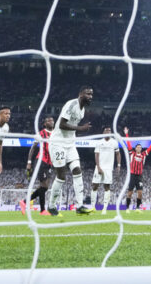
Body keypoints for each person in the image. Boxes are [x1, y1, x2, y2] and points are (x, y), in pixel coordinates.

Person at [48, 87, 95, 216]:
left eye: (91, 94)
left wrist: (78, 130)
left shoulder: (82, 111)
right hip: (58, 143)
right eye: (87, 93)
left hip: (70, 144)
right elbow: (62, 124)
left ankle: (79, 206)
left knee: (77, 170)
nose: (90, 96)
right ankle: (51, 206)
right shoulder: (71, 104)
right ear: (80, 94)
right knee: (61, 176)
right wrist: (81, 128)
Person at [24, 115, 55, 215]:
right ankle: (42, 210)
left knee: (45, 187)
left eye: (52, 120)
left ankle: (24, 202)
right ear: (45, 124)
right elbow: (32, 148)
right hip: (41, 161)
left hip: (49, 163)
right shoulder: (41, 134)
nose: (51, 121)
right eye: (49, 120)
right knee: (43, 185)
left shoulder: (56, 133)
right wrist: (29, 162)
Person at [123, 127, 151, 211]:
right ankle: (127, 207)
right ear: (135, 148)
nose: (139, 148)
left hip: (139, 176)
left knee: (140, 192)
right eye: (138, 147)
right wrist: (126, 134)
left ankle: (138, 207)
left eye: (140, 147)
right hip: (132, 175)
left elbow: (150, 147)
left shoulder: (144, 154)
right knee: (130, 192)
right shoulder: (132, 153)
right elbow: (128, 144)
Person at [91, 127, 121, 215]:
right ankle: (93, 207)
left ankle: (104, 209)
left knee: (107, 187)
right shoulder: (99, 142)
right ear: (103, 132)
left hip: (108, 168)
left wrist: (118, 165)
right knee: (95, 186)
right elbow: (96, 155)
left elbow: (118, 154)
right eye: (107, 131)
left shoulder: (114, 142)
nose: (108, 132)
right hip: (99, 167)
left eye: (109, 131)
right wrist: (98, 167)